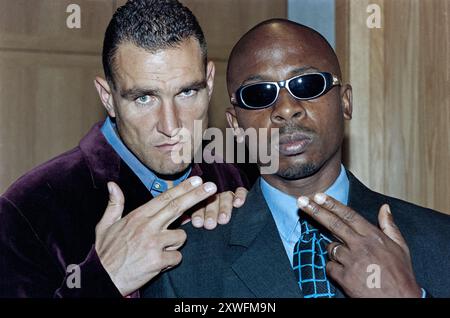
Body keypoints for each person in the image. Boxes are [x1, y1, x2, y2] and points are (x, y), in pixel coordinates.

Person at [143, 19, 450, 298]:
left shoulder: (439, 241)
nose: (286, 109)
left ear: (345, 103)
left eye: (307, 84)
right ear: (235, 126)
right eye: (259, 94)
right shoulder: (184, 263)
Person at [0, 0, 251, 298]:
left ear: (209, 83)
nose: (171, 126)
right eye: (144, 98)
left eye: (187, 92)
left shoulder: (241, 180)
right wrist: (102, 280)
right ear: (108, 98)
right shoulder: (30, 207)